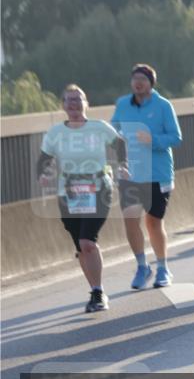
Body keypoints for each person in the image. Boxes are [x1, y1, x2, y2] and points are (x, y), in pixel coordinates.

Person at [38, 85, 128, 313]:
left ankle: (98, 292)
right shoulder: (55, 133)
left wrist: (123, 166)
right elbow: (44, 159)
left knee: (88, 241)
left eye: (78, 100)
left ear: (86, 103)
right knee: (80, 246)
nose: (74, 104)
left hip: (98, 189)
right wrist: (44, 174)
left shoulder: (98, 128)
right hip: (68, 193)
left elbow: (120, 143)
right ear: (63, 105)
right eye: (69, 100)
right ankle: (95, 289)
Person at [111, 64, 183, 289]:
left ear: (151, 83)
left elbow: (176, 137)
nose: (138, 82)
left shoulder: (163, 106)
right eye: (135, 79)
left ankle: (163, 268)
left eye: (143, 78)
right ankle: (142, 266)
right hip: (132, 174)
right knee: (130, 219)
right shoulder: (123, 104)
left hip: (157, 173)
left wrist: (153, 140)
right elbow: (113, 134)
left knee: (153, 222)